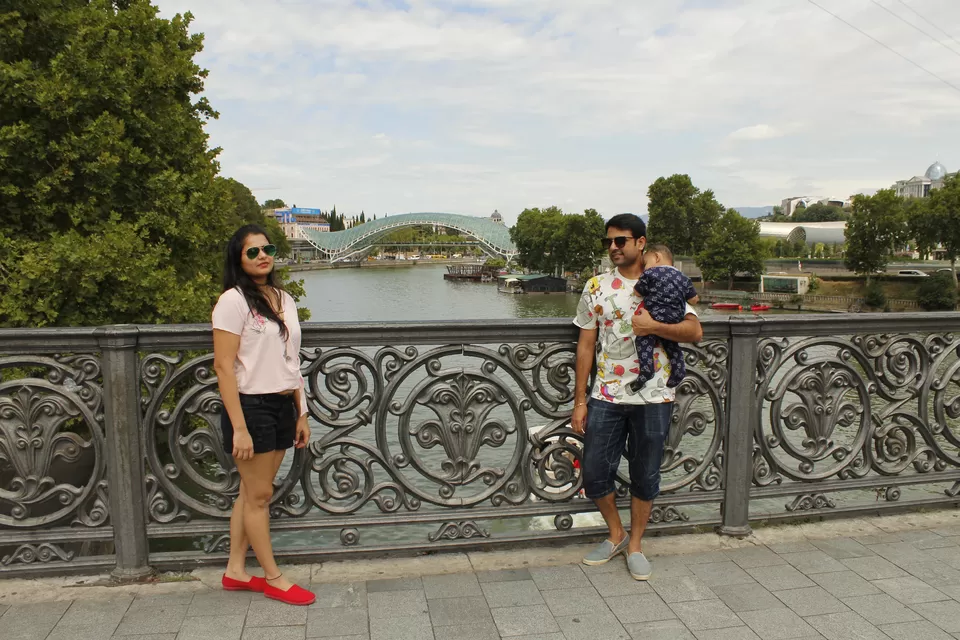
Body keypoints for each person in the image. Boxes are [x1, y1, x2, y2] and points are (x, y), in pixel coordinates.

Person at [572, 214, 702, 581]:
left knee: (646, 474)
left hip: (655, 394)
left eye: (621, 241)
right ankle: (616, 533)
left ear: (641, 243)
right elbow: (585, 345)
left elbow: (695, 331)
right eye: (608, 242)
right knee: (595, 472)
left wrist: (653, 326)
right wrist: (579, 400)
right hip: (606, 394)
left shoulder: (667, 281)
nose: (613, 247)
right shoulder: (596, 286)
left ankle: (636, 545)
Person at [212, 224, 315, 606]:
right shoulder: (233, 301)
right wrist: (239, 427)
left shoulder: (283, 298)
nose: (262, 256)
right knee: (260, 496)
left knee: (250, 492)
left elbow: (292, 360)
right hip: (251, 407)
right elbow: (223, 366)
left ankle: (235, 570)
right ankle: (274, 578)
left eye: (266, 248)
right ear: (238, 259)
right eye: (251, 251)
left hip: (282, 405)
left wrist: (301, 411)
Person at [628, 244, 698, 393]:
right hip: (675, 318)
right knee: (672, 346)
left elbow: (637, 292)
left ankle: (646, 370)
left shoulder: (651, 273)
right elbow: (694, 299)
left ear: (657, 257)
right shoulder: (684, 278)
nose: (644, 268)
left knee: (643, 341)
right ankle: (678, 371)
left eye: (645, 263)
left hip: (654, 315)